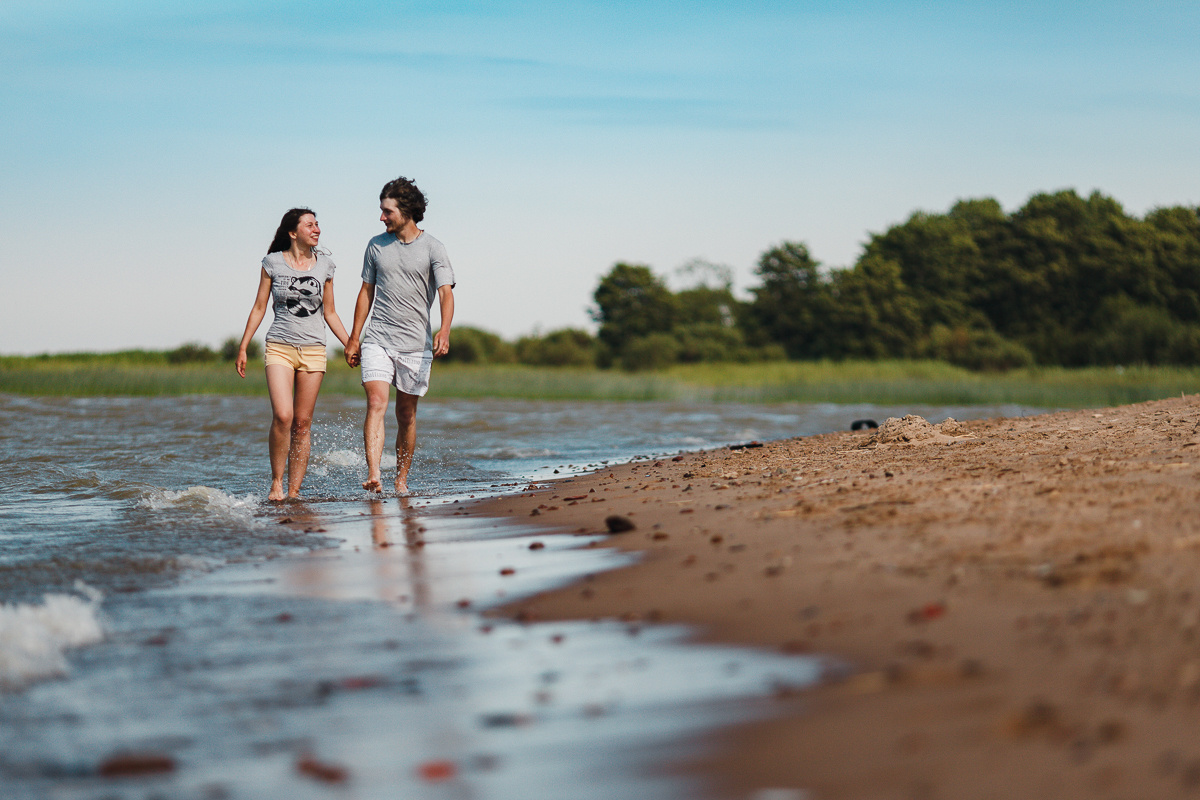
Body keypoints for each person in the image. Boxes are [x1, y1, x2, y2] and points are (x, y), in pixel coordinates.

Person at [343, 176, 455, 495]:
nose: (382, 217)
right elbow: (366, 293)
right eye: (381, 211)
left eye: (387, 211)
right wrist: (355, 338)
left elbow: (446, 294)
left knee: (405, 414)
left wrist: (445, 330)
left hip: (415, 344)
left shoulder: (434, 248)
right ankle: (374, 473)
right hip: (378, 338)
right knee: (376, 402)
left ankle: (401, 479)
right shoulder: (376, 246)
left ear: (406, 210)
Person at [235, 208, 350, 501]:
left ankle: (294, 491)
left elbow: (330, 312)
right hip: (280, 347)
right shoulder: (272, 263)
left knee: (302, 423)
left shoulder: (325, 266)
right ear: (292, 232)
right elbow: (259, 307)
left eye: (317, 224)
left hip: (314, 350)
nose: (317, 229)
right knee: (283, 416)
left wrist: (350, 343)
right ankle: (277, 483)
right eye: (310, 225)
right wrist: (244, 346)